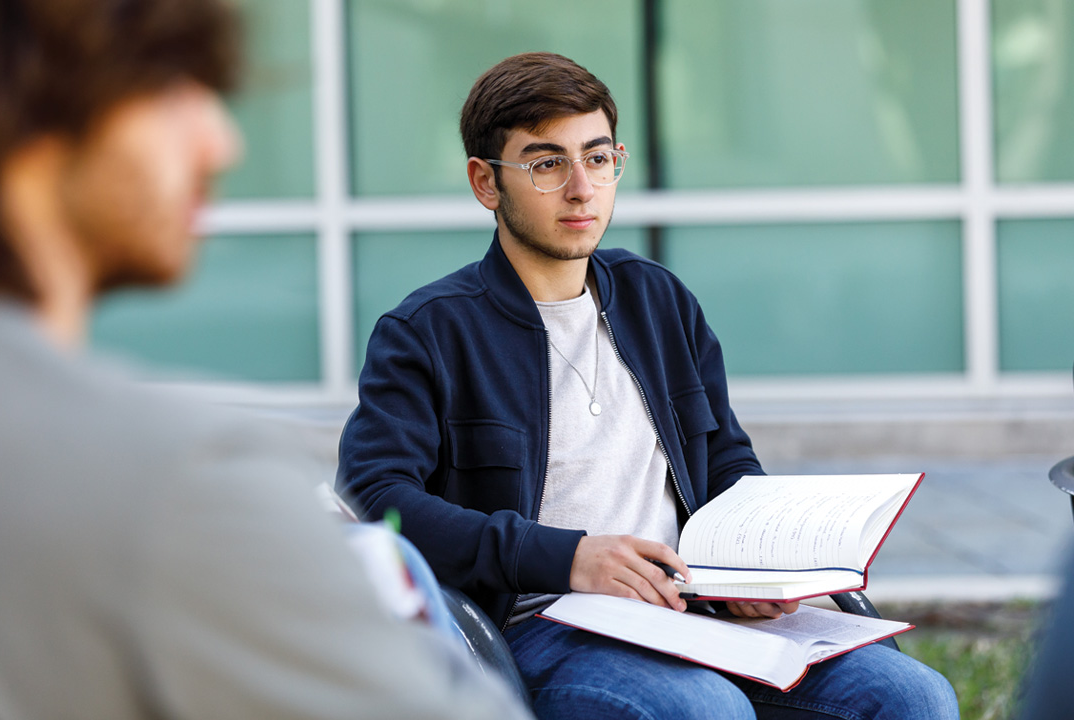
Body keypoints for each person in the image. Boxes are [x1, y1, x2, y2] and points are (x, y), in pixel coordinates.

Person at [337, 51, 960, 719]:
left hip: (690, 608)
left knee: (913, 696)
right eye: (547, 164)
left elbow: (723, 457)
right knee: (705, 710)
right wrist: (568, 558)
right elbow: (377, 498)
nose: (582, 188)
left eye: (598, 158)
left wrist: (750, 568)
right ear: (485, 182)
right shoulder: (429, 331)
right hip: (540, 627)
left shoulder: (656, 299)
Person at [0, 1, 532, 718]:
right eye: (170, 88)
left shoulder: (650, 304)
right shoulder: (181, 481)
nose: (222, 143)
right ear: (34, 105)